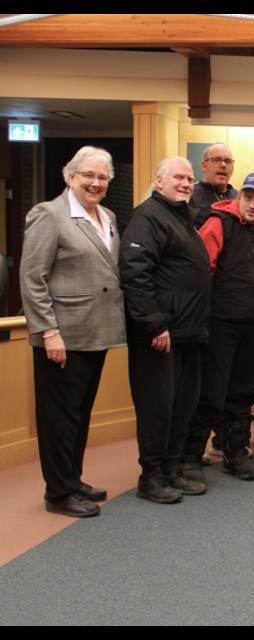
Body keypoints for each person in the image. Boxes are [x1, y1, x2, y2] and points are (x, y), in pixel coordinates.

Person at [20, 146, 125, 518]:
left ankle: (72, 478)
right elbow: (33, 278)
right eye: (89, 176)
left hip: (96, 332)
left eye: (102, 177)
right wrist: (48, 331)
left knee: (79, 414)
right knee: (59, 416)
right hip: (62, 336)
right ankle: (58, 492)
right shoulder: (49, 215)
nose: (96, 183)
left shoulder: (107, 215)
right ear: (70, 177)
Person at [182, 171, 254, 483]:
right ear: (238, 197)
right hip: (219, 324)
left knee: (243, 393)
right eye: (248, 197)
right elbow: (200, 273)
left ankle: (236, 452)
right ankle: (190, 456)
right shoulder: (219, 223)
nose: (252, 205)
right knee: (210, 391)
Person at [120, 157, 211, 503]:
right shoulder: (148, 216)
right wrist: (154, 323)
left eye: (189, 178)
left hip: (188, 333)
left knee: (181, 407)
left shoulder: (180, 218)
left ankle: (171, 470)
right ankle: (152, 477)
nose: (187, 183)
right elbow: (134, 272)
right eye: (178, 177)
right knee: (158, 408)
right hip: (161, 335)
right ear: (159, 181)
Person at [191, 143, 236, 227]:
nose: (223, 165)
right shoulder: (190, 195)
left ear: (232, 169)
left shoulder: (238, 198)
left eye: (227, 161)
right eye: (216, 159)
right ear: (204, 166)